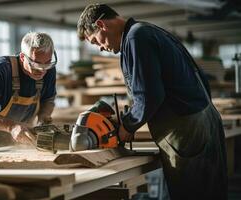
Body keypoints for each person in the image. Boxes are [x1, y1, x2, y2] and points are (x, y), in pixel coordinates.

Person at [77, 4, 227, 200]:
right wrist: (131, 119)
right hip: (202, 118)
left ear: (101, 24)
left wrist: (127, 127)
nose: (102, 48)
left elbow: (149, 95)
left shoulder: (135, 38)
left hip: (186, 129)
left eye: (96, 41)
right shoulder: (147, 31)